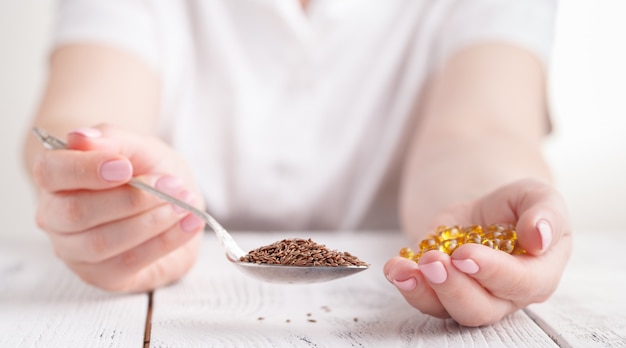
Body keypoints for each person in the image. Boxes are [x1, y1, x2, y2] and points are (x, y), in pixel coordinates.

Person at [23, 0, 572, 327]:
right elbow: (87, 105)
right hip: (170, 278)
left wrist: (487, 218)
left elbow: (480, 129)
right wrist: (111, 178)